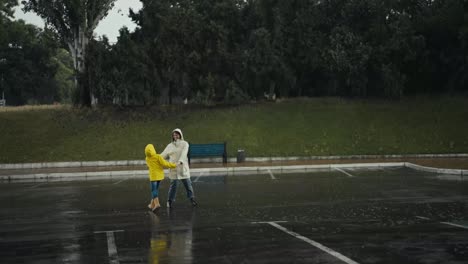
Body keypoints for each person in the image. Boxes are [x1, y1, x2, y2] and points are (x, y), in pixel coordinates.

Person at [160, 128, 198, 208]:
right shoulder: (170, 146)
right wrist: (155, 159)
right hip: (173, 169)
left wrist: (180, 161)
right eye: (174, 135)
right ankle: (169, 201)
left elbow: (184, 154)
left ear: (180, 135)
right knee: (173, 186)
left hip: (183, 168)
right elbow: (162, 155)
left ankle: (192, 199)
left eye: (177, 134)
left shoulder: (185, 144)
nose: (175, 136)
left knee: (188, 184)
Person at [145, 143, 177, 211]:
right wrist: (173, 165)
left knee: (153, 191)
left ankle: (157, 204)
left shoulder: (147, 158)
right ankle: (152, 204)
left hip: (153, 177)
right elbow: (165, 163)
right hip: (159, 176)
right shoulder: (158, 157)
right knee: (155, 190)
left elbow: (148, 165)